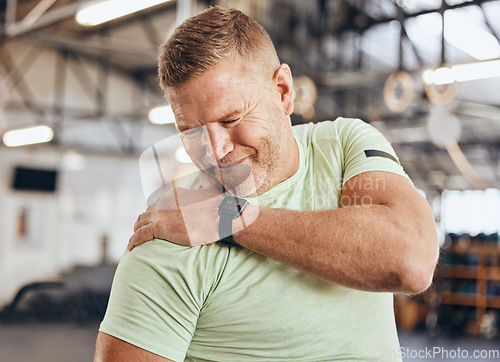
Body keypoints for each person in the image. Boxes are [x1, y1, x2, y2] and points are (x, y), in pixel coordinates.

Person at [94, 6, 439, 362]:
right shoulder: (171, 233)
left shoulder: (342, 145)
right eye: (191, 132)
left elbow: (411, 261)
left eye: (231, 118)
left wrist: (227, 218)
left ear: (283, 91)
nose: (215, 151)